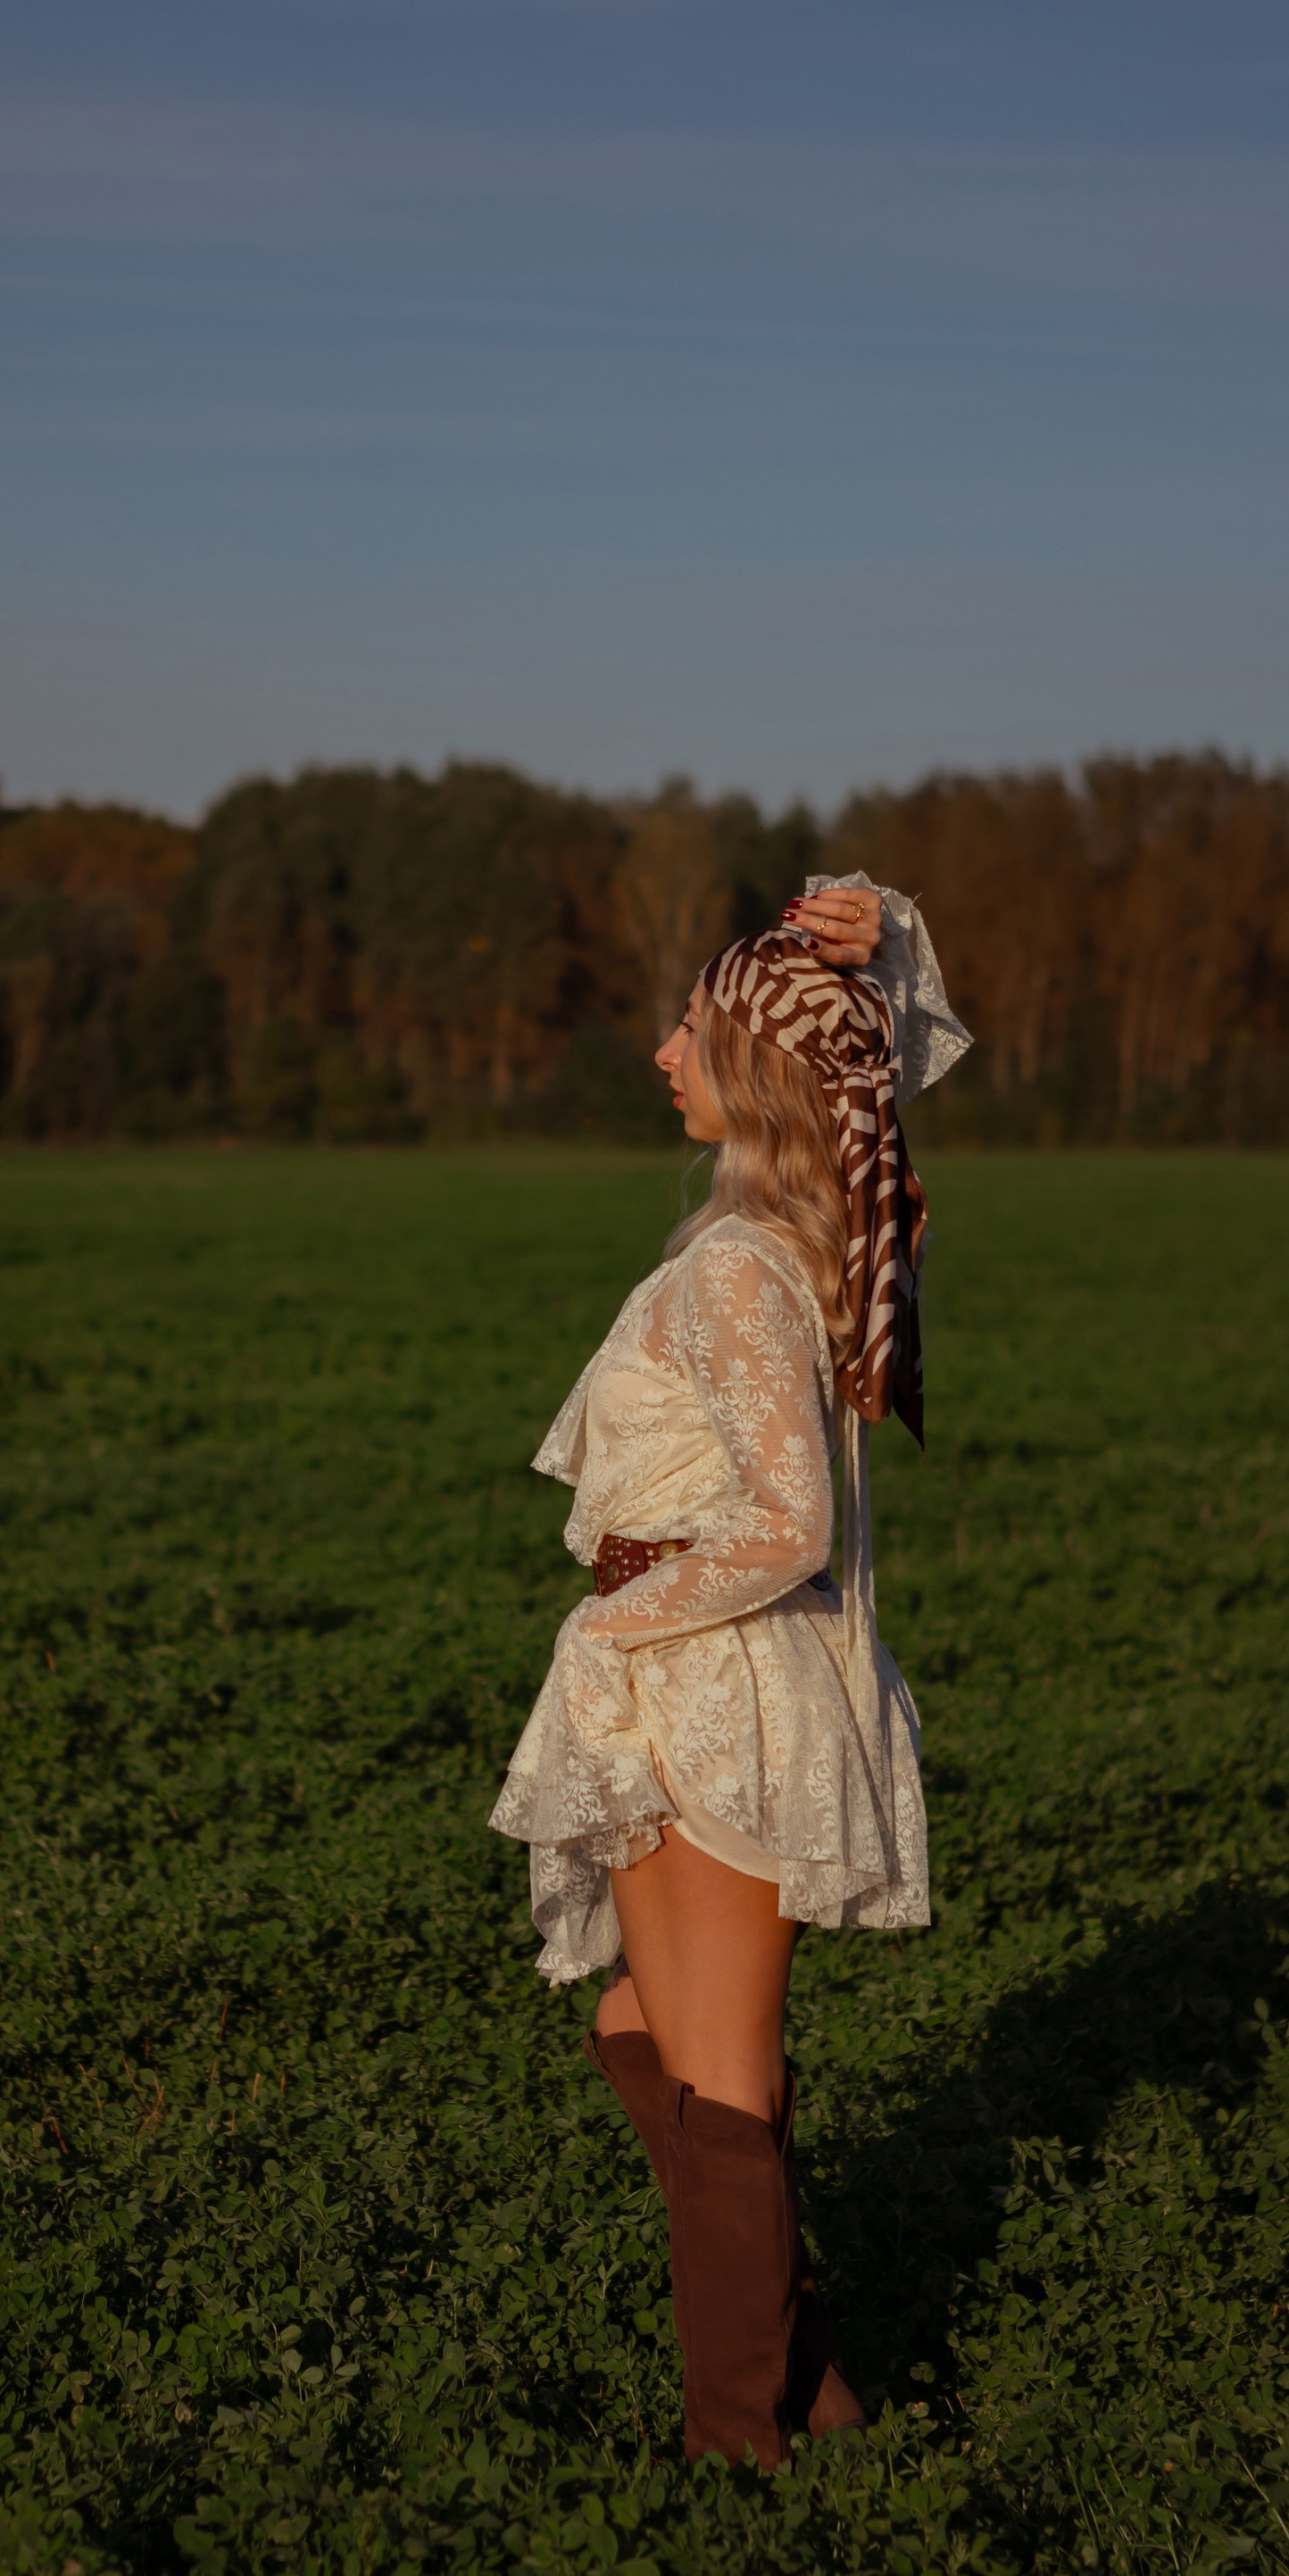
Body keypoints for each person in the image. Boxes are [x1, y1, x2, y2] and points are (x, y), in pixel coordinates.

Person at [489, 872, 970, 2469]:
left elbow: (780, 1523)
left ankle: (738, 2441)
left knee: (718, 2080)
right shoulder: (777, 1232)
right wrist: (883, 942)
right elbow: (872, 1067)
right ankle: (808, 2390)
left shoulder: (739, 1268)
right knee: (648, 2028)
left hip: (708, 1680)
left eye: (689, 1026)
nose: (660, 1051)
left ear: (753, 1065)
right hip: (700, 1669)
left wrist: (603, 1629)